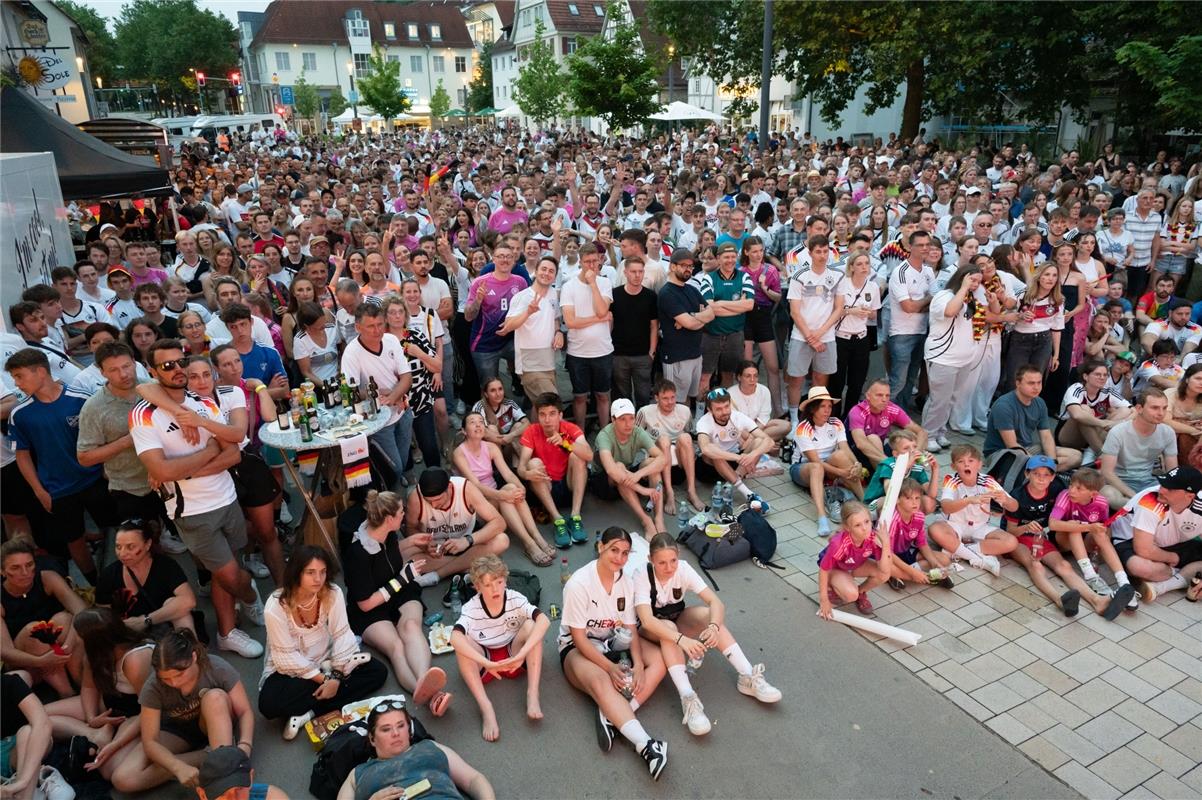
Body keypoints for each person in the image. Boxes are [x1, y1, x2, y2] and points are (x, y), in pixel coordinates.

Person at [130, 340, 264, 659]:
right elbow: (160, 469)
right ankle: (249, 595)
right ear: (152, 371)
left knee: (226, 569)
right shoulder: (143, 415)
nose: (178, 370)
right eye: (167, 366)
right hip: (192, 511)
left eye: (181, 362)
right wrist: (206, 452)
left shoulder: (199, 401)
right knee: (232, 575)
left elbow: (233, 448)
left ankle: (227, 632)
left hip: (227, 498)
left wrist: (190, 456)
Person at [633, 533, 780, 737]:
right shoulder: (641, 574)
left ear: (678, 555)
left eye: (673, 560)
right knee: (668, 628)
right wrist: (681, 640)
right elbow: (647, 621)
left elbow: (716, 602)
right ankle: (688, 697)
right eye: (662, 563)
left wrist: (713, 627)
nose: (669, 568)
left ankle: (747, 675)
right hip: (650, 630)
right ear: (650, 560)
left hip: (676, 619)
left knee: (706, 615)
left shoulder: (683, 569)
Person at [559, 527, 669, 780]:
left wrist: (639, 664)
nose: (619, 558)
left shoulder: (626, 581)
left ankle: (614, 713)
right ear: (600, 547)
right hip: (577, 648)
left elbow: (631, 626)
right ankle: (648, 746)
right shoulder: (578, 584)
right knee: (601, 681)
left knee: (659, 661)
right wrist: (609, 668)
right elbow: (578, 637)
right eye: (614, 550)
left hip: (614, 642)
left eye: (625, 553)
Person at [258, 545, 388, 740]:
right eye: (310, 572)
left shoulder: (332, 593)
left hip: (327, 659)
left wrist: (335, 676)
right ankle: (327, 695)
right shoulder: (275, 607)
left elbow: (342, 635)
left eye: (322, 572)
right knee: (268, 704)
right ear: (296, 573)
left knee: (377, 672)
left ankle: (308, 713)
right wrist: (326, 680)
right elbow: (286, 657)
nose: (318, 579)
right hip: (294, 670)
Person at [342, 489, 451, 717]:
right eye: (402, 512)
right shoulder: (357, 554)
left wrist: (412, 541)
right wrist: (403, 578)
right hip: (370, 606)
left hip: (397, 589)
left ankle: (423, 679)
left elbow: (388, 555)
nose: (405, 514)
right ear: (390, 518)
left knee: (410, 627)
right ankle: (430, 695)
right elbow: (365, 604)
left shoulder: (387, 533)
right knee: (396, 647)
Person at [6, 347, 108, 582]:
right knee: (74, 540)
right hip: (57, 489)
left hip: (95, 479)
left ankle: (123, 578)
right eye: (13, 378)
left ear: (41, 372)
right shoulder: (19, 414)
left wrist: (105, 470)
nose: (16, 383)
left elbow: (101, 438)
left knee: (115, 528)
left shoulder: (80, 398)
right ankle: (95, 585)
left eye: (20, 376)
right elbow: (21, 455)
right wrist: (39, 490)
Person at [1004, 460, 1133, 619]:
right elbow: (1010, 530)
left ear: (1053, 477)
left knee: (1064, 565)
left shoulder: (1057, 488)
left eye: (1046, 475)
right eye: (1036, 474)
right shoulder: (1018, 496)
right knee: (1035, 565)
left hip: (1040, 537)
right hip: (1018, 536)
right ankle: (1060, 601)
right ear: (1027, 474)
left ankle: (1098, 601)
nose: (1041, 479)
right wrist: (1027, 527)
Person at [137, 629, 255, 793]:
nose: (174, 683)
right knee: (125, 778)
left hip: (214, 720)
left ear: (193, 657)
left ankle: (222, 769)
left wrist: (245, 745)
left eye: (179, 674)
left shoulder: (216, 667)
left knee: (214, 697)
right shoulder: (153, 687)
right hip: (179, 731)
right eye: (166, 678)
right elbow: (150, 741)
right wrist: (177, 767)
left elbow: (245, 711)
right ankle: (209, 756)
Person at [450, 555, 549, 742]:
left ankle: (533, 693)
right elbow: (454, 637)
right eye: (487, 585)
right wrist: (486, 662)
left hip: (515, 656)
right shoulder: (471, 608)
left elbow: (543, 620)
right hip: (486, 661)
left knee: (531, 625)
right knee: (461, 645)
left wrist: (523, 654)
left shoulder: (515, 598)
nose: (495, 589)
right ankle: (486, 707)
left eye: (499, 582)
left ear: (505, 580)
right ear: (477, 587)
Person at [335, 701, 496, 800]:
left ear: (409, 729)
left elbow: (474, 779)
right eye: (386, 729)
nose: (396, 733)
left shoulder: (430, 747)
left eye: (400, 725)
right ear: (372, 738)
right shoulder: (358, 774)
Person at [453, 413, 556, 566]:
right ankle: (529, 544)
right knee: (507, 494)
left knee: (512, 488)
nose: (478, 425)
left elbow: (507, 473)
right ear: (464, 430)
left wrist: (521, 488)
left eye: (481, 422)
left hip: (495, 497)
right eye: (473, 422)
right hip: (476, 505)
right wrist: (502, 495)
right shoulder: (459, 453)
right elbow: (476, 485)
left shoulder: (491, 447)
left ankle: (537, 537)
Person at [340, 303, 414, 488]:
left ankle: (395, 489)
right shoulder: (351, 353)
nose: (377, 330)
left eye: (380, 324)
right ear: (358, 327)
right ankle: (394, 499)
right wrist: (377, 392)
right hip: (379, 421)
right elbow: (350, 392)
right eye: (371, 326)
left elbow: (407, 377)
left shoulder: (391, 340)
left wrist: (394, 396)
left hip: (402, 410)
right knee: (394, 466)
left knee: (403, 461)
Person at [404, 467, 510, 593]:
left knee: (502, 540)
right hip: (437, 549)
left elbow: (499, 522)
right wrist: (425, 546)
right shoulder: (416, 498)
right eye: (429, 501)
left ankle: (438, 574)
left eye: (437, 499)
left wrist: (467, 541)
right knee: (404, 557)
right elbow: (411, 528)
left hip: (468, 543)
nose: (434, 505)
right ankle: (470, 565)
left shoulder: (466, 489)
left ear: (449, 487)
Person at [1, 539, 85, 696]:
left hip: (61, 651)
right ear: (2, 571)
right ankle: (67, 693)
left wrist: (68, 645)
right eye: (15, 568)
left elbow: (81, 610)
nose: (25, 572)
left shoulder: (47, 578)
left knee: (65, 619)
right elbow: (5, 651)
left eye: (29, 565)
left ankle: (83, 684)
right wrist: (42, 661)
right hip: (25, 662)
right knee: (35, 629)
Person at [921, 264, 992, 451]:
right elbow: (950, 312)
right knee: (939, 399)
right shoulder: (944, 296)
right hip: (943, 357)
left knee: (952, 398)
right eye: (972, 280)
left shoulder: (971, 299)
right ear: (961, 277)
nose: (975, 284)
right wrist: (964, 288)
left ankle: (940, 432)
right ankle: (927, 435)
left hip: (964, 358)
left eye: (978, 281)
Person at [1108, 466, 1202, 606]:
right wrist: (1174, 558)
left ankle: (1162, 586)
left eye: (1170, 488)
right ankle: (1184, 573)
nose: (1161, 489)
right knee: (1139, 567)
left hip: (1170, 542)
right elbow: (1143, 549)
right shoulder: (1151, 500)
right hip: (1130, 538)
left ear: (1190, 496)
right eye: (1163, 483)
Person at [928, 444, 1019, 577]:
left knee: (1011, 542)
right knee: (934, 530)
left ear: (979, 464)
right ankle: (980, 559)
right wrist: (969, 500)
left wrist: (1005, 500)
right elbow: (946, 507)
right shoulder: (951, 479)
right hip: (954, 525)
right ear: (953, 467)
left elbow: (1014, 507)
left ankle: (958, 551)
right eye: (961, 461)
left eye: (971, 461)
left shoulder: (987, 481)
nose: (966, 465)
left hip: (980, 527)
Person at [518, 393, 594, 547]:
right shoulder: (532, 431)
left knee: (577, 456)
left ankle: (575, 516)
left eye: (552, 414)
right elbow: (521, 466)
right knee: (533, 463)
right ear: (537, 416)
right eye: (542, 415)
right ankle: (557, 519)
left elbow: (590, 455)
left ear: (560, 415)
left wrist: (566, 442)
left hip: (569, 485)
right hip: (546, 488)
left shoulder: (570, 428)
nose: (547, 420)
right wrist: (527, 473)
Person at [95, 519, 196, 636]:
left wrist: (145, 620)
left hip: (167, 629)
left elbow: (188, 600)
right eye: (118, 547)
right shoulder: (109, 575)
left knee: (176, 606)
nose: (122, 554)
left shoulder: (165, 565)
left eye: (130, 547)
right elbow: (103, 616)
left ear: (147, 544)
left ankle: (188, 650)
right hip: (130, 635)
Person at [785, 235, 844, 424]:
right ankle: (794, 418)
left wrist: (819, 334)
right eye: (818, 251)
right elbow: (794, 311)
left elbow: (839, 309)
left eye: (825, 251)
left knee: (821, 379)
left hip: (826, 337)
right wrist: (811, 337)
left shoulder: (837, 276)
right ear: (810, 253)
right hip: (801, 336)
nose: (822, 255)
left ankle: (817, 417)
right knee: (796, 379)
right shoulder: (799, 276)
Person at [983, 365, 1082, 476]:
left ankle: (1043, 472)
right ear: (1018, 383)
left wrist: (1052, 461)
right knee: (1021, 459)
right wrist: (1037, 462)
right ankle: (1043, 473)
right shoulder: (1004, 405)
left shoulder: (1040, 403)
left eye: (1039, 383)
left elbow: (1046, 436)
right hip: (1002, 453)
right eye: (1031, 383)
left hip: (1028, 449)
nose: (1036, 387)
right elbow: (1012, 445)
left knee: (1076, 456)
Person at [790, 386, 863, 537]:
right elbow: (815, 460)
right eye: (822, 406)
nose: (827, 410)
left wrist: (857, 465)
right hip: (803, 469)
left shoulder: (836, 423)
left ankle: (865, 502)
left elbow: (845, 448)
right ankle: (822, 517)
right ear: (812, 409)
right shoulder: (803, 428)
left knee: (842, 455)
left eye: (829, 406)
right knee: (817, 467)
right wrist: (841, 472)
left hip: (829, 466)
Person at [595, 398, 669, 540]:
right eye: (622, 419)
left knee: (651, 463)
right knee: (619, 466)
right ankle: (646, 520)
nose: (628, 424)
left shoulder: (637, 431)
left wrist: (639, 474)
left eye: (631, 418)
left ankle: (658, 518)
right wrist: (642, 490)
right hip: (604, 482)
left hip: (628, 473)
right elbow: (611, 470)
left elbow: (662, 458)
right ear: (613, 419)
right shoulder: (604, 435)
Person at [696, 387, 774, 512]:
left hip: (734, 463)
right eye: (719, 409)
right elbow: (705, 448)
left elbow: (769, 441)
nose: (725, 411)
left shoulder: (738, 417)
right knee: (713, 449)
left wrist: (752, 455)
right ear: (710, 410)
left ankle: (729, 485)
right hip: (709, 468)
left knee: (759, 441)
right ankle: (748, 494)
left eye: (727, 406)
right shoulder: (704, 421)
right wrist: (739, 458)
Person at [1098, 388, 1178, 508]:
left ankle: (1143, 508)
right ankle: (1146, 508)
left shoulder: (1168, 432)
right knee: (1108, 495)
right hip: (1119, 483)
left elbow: (1173, 471)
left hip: (1149, 481)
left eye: (1164, 408)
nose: (1161, 413)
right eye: (1154, 408)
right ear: (1139, 408)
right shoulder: (1118, 432)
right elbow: (1107, 472)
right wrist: (1135, 496)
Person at [499, 255, 563, 403]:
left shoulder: (553, 294)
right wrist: (528, 312)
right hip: (529, 362)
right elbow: (508, 326)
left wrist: (558, 332)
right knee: (552, 404)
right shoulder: (522, 297)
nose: (546, 273)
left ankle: (533, 427)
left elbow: (555, 319)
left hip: (549, 360)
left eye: (551, 271)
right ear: (536, 271)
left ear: (554, 277)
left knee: (539, 407)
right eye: (544, 269)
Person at [886, 230, 935, 413]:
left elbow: (935, 301)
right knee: (898, 379)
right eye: (920, 245)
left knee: (912, 377)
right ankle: (883, 414)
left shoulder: (929, 271)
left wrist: (921, 303)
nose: (925, 248)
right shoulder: (901, 272)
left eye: (927, 244)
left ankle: (900, 413)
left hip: (922, 331)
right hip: (901, 333)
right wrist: (926, 301)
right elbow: (908, 307)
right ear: (911, 247)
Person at [637, 380, 704, 516]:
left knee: (685, 437)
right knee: (664, 439)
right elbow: (636, 436)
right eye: (665, 398)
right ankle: (669, 493)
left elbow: (691, 433)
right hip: (658, 463)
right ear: (656, 398)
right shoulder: (645, 412)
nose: (670, 402)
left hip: (678, 464)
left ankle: (691, 491)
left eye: (673, 397)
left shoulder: (684, 411)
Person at [657, 249, 713, 407]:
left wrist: (691, 317)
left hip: (695, 353)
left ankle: (687, 430)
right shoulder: (667, 293)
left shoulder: (692, 289)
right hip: (676, 357)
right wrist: (693, 319)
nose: (688, 269)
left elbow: (711, 314)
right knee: (675, 401)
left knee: (690, 398)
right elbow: (691, 322)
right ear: (672, 267)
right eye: (683, 265)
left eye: (691, 265)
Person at [816, 502, 891, 619]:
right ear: (847, 527)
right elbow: (823, 569)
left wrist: (886, 544)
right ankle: (831, 587)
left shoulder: (872, 537)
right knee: (851, 595)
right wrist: (823, 599)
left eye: (867, 522)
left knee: (883, 574)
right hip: (835, 568)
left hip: (853, 564)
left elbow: (885, 570)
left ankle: (861, 592)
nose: (865, 528)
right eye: (857, 525)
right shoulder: (839, 544)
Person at [881, 479, 954, 590]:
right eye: (908, 498)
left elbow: (922, 543)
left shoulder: (919, 516)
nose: (914, 502)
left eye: (917, 498)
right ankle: (907, 574)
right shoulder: (893, 520)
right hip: (886, 555)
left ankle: (900, 575)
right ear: (897, 500)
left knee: (944, 559)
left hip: (905, 552)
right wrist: (913, 572)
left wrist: (934, 563)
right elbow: (887, 552)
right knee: (883, 566)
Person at [1057, 359, 1134, 460]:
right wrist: (1103, 423)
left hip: (1092, 436)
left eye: (1105, 375)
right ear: (1086, 376)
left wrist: (1119, 422)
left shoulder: (1108, 391)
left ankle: (1091, 452)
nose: (1102, 378)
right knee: (1084, 410)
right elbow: (1076, 414)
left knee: (1125, 411)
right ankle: (1101, 453)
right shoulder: (1076, 388)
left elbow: (1134, 411)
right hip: (1068, 437)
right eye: (1097, 374)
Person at [610, 257, 659, 409]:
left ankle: (642, 427)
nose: (637, 275)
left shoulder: (651, 296)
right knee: (622, 399)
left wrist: (652, 351)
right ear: (625, 273)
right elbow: (609, 324)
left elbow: (654, 326)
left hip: (643, 356)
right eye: (633, 271)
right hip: (619, 355)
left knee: (643, 396)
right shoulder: (615, 295)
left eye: (640, 271)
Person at [846, 379, 928, 467]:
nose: (884, 399)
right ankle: (883, 476)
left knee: (910, 436)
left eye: (887, 395)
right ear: (868, 396)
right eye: (879, 395)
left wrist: (916, 453)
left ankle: (909, 470)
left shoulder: (892, 409)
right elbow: (861, 443)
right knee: (873, 438)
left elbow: (921, 432)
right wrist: (888, 462)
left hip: (879, 452)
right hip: (854, 454)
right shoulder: (857, 411)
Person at [0, 670, 54, 800]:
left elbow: (43, 723)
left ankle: (22, 792)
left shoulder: (9, 683)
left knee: (28, 732)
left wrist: (23, 781)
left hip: (15, 749)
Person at [863, 430, 939, 516]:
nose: (912, 451)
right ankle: (885, 526)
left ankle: (910, 524)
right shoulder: (888, 465)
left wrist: (935, 469)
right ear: (896, 454)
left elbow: (931, 494)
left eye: (914, 447)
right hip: (878, 503)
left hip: (903, 499)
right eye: (906, 448)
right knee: (897, 501)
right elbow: (890, 492)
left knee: (929, 502)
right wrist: (906, 467)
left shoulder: (917, 466)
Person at [729, 360, 791, 444]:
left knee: (786, 426)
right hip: (739, 431)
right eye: (748, 376)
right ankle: (759, 443)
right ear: (739, 377)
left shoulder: (764, 390)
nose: (752, 379)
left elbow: (763, 418)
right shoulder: (730, 393)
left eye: (755, 376)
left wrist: (752, 435)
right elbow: (734, 421)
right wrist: (748, 434)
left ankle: (753, 443)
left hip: (758, 427)